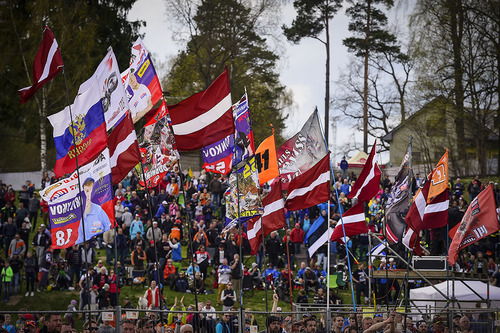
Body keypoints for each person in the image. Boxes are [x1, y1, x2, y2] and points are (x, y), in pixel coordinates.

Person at [76, 177, 111, 243]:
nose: (89, 194)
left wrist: (105, 241)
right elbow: (79, 236)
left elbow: (108, 228)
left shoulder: (99, 210)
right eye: (87, 191)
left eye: (92, 190)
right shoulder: (79, 213)